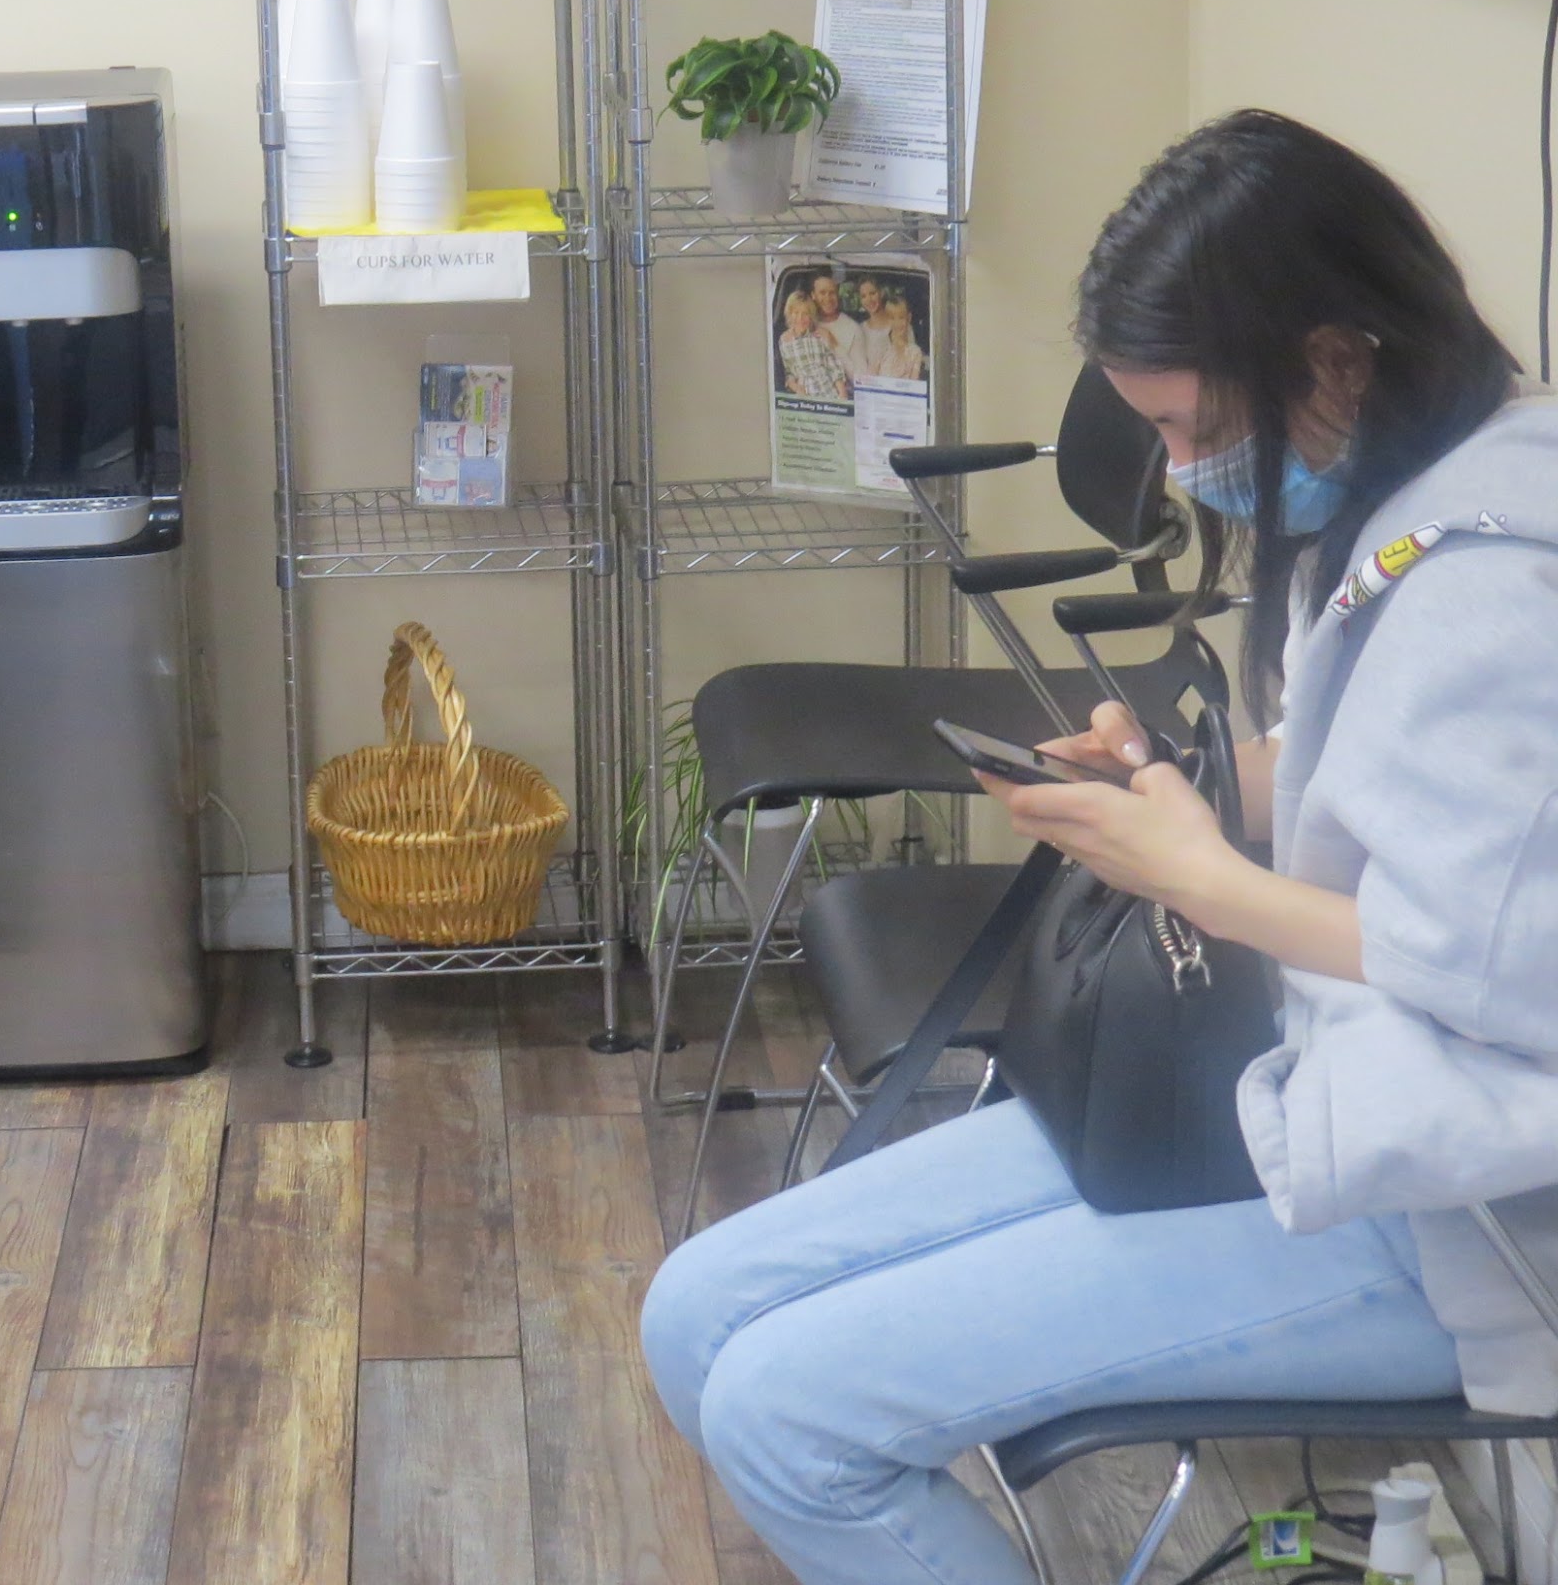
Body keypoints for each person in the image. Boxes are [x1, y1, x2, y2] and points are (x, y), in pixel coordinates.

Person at [641, 108, 1558, 1585]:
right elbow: (1360, 781)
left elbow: (1504, 971)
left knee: (783, 1413)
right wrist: (1174, 784)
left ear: (1334, 358)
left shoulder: (1503, 583)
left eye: (1189, 429)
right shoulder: (1407, 497)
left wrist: (1198, 877)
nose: (1180, 472)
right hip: (1297, 1086)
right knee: (693, 1309)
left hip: (1447, 1220)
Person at [778, 288, 850, 403]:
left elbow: (833, 365)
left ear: (811, 316)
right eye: (796, 313)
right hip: (805, 394)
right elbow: (789, 372)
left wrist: (842, 393)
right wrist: (796, 388)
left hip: (828, 390)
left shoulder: (819, 335)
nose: (800, 318)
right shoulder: (784, 340)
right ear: (789, 314)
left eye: (805, 314)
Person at [809, 271, 872, 381]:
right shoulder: (806, 323)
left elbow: (861, 379)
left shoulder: (852, 329)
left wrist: (834, 345)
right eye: (822, 293)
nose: (828, 298)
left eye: (832, 293)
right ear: (813, 295)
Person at [867, 286, 927, 381]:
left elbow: (913, 383)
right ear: (887, 320)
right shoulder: (880, 348)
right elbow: (871, 379)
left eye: (901, 317)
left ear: (909, 318)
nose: (897, 323)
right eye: (892, 318)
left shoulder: (915, 353)